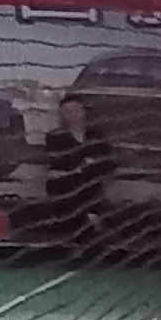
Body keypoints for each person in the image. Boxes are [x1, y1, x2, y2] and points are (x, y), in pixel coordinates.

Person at [36, 92, 112, 259]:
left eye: (76, 110)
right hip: (65, 189)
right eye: (67, 112)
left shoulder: (96, 136)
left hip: (91, 188)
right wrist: (85, 162)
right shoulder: (55, 136)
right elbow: (63, 162)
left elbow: (107, 163)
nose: (72, 115)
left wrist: (86, 165)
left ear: (84, 111)